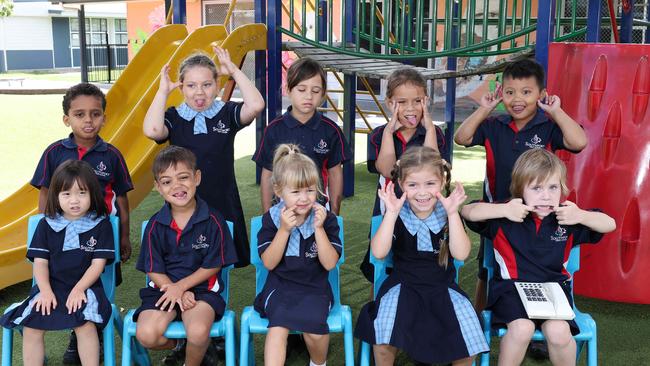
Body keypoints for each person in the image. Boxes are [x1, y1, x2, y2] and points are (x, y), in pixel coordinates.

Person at [453, 58, 588, 315]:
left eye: (527, 92)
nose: (518, 99)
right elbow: (463, 137)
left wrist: (556, 112)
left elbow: (579, 142)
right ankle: (482, 317)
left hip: (540, 214)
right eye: (510, 92)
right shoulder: (495, 126)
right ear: (501, 93)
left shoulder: (548, 127)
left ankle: (543, 319)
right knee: (488, 266)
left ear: (541, 95)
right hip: (499, 213)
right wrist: (484, 109)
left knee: (538, 267)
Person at [461, 149, 616, 366]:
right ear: (520, 189)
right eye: (536, 188)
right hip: (511, 291)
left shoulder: (566, 217)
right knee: (522, 329)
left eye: (553, 187)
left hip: (554, 293)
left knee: (559, 332)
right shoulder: (506, 214)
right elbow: (468, 212)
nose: (546, 196)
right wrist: (504, 210)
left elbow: (610, 224)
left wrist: (580, 215)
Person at [355, 146, 488, 365]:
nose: (422, 192)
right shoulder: (397, 212)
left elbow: (461, 252)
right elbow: (378, 253)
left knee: (469, 340)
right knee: (382, 339)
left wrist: (453, 213)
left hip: (443, 287)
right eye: (413, 185)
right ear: (401, 185)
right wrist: (391, 213)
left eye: (430, 183)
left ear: (443, 182)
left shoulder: (447, 213)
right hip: (402, 287)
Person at [30, 82, 133, 364]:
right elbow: (43, 191)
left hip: (99, 237)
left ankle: (88, 336)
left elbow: (122, 198)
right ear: (67, 118)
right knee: (61, 285)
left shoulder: (111, 155)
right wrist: (46, 224)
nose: (88, 120)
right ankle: (78, 337)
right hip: (61, 237)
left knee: (98, 285)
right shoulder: (54, 152)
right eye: (79, 114)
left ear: (104, 117)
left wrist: (124, 235)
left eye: (95, 114)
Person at [143, 47, 265, 268]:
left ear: (217, 84)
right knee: (187, 257)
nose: (199, 92)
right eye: (191, 85)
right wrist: (162, 92)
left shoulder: (226, 113)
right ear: (181, 87)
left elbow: (256, 105)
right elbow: (152, 130)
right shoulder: (174, 116)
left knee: (222, 260)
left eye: (207, 85)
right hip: (183, 201)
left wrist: (235, 71)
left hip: (222, 199)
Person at [1, 160, 115, 366]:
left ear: (92, 194)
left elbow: (97, 265)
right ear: (56, 196)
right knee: (32, 326)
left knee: (85, 325)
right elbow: (40, 264)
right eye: (66, 194)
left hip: (86, 288)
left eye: (82, 193)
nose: (74, 200)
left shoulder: (101, 224)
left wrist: (80, 288)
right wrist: (44, 291)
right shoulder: (47, 224)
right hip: (50, 288)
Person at [133, 146, 238, 366]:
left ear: (196, 178)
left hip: (202, 291)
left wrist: (182, 288)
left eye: (183, 177)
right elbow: (153, 268)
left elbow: (214, 266)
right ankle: (182, 347)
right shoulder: (155, 225)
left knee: (198, 332)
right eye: (167, 181)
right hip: (164, 290)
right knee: (147, 335)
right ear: (158, 187)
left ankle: (192, 359)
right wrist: (175, 291)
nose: (177, 186)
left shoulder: (214, 221)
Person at [254, 144, 342, 366]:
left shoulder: (326, 218)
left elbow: (330, 263)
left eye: (310, 190)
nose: (304, 198)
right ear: (278, 191)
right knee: (277, 329)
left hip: (315, 287)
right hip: (280, 285)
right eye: (295, 192)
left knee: (315, 331)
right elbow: (269, 262)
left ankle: (318, 363)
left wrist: (319, 229)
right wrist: (284, 230)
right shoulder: (272, 219)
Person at [360, 67, 446, 282]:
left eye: (417, 101)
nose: (411, 108)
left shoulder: (434, 134)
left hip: (425, 209)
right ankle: (377, 304)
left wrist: (429, 128)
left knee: (422, 260)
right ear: (390, 103)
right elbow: (388, 169)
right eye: (402, 102)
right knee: (379, 264)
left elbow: (432, 162)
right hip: (388, 209)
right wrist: (390, 132)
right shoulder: (379, 135)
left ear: (426, 101)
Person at [253, 57, 351, 215]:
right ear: (288, 89)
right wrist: (267, 214)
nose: (309, 96)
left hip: (318, 211)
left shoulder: (331, 130)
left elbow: (335, 173)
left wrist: (334, 213)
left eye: (315, 91)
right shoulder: (273, 129)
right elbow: (268, 175)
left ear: (323, 93)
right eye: (301, 89)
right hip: (282, 213)